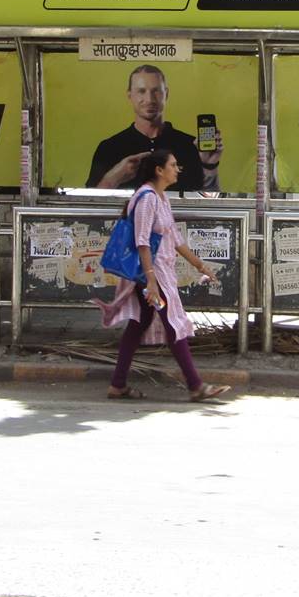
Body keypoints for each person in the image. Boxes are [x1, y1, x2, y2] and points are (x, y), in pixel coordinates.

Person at [95, 149, 230, 402]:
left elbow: (175, 238)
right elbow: (142, 241)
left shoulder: (161, 198)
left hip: (157, 273)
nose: (177, 169)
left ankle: (118, 384)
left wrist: (200, 266)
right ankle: (196, 386)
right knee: (173, 322)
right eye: (173, 165)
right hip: (153, 274)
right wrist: (151, 281)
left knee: (140, 324)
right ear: (159, 170)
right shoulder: (147, 198)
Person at [85, 64, 222, 191]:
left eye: (156, 91)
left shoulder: (191, 146)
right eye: (141, 91)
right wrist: (113, 178)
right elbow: (89, 205)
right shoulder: (108, 148)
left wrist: (210, 166)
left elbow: (210, 203)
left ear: (166, 94)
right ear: (130, 95)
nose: (149, 99)